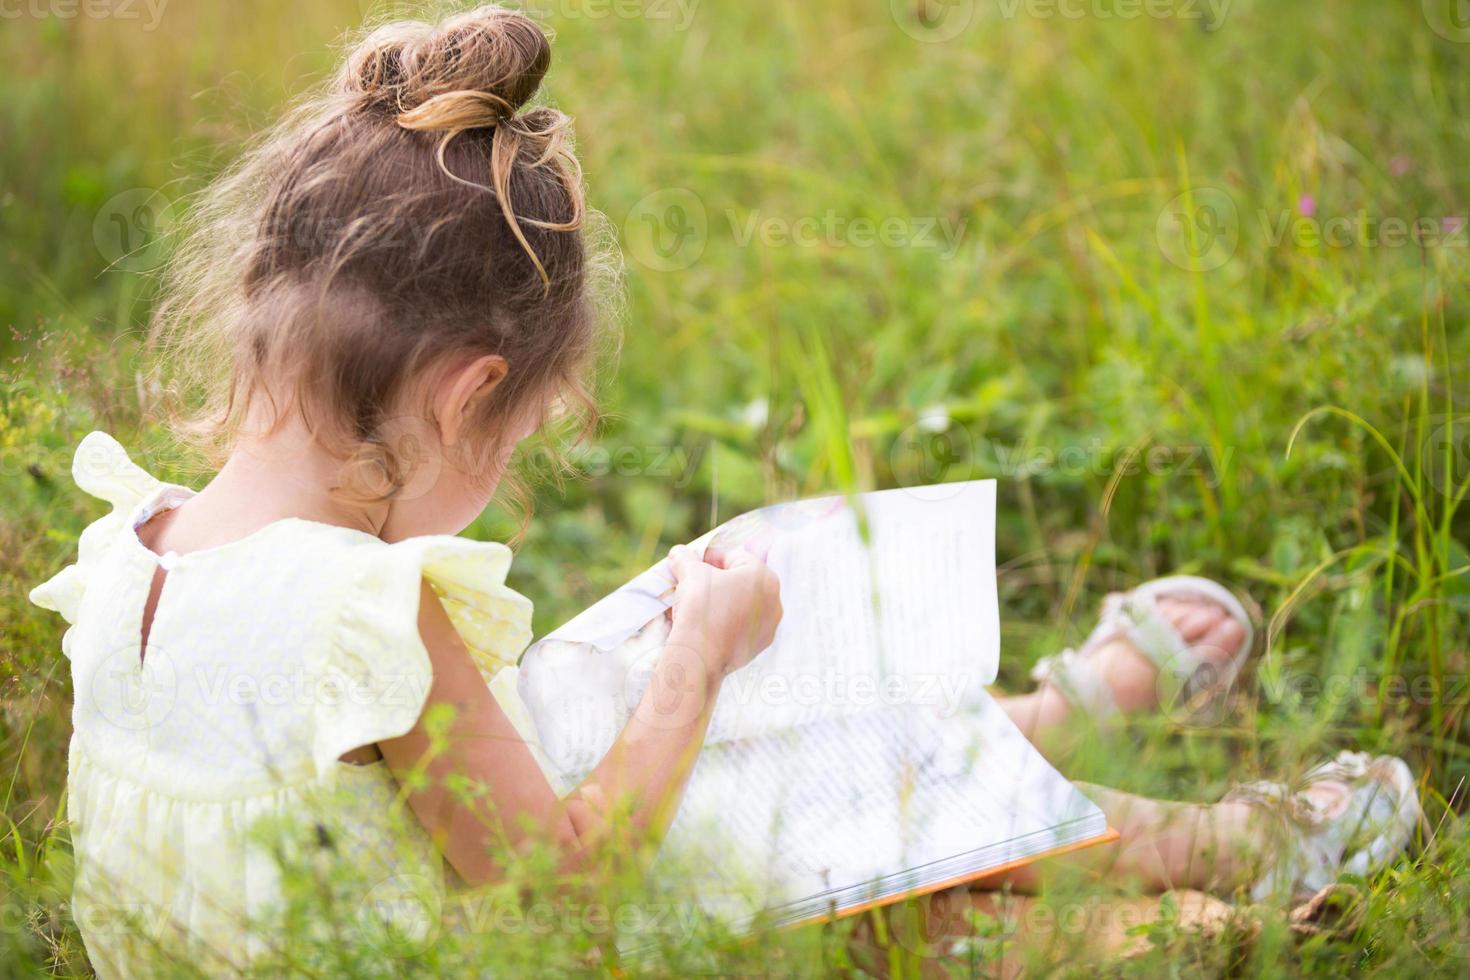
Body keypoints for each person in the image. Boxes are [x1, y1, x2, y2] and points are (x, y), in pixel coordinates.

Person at [28, 6, 1418, 974]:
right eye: (518, 437)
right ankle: (1223, 856)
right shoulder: (365, 611)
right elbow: (563, 901)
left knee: (639, 732)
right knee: (777, 819)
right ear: (466, 395)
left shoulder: (126, 557)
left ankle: (1048, 730)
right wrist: (692, 658)